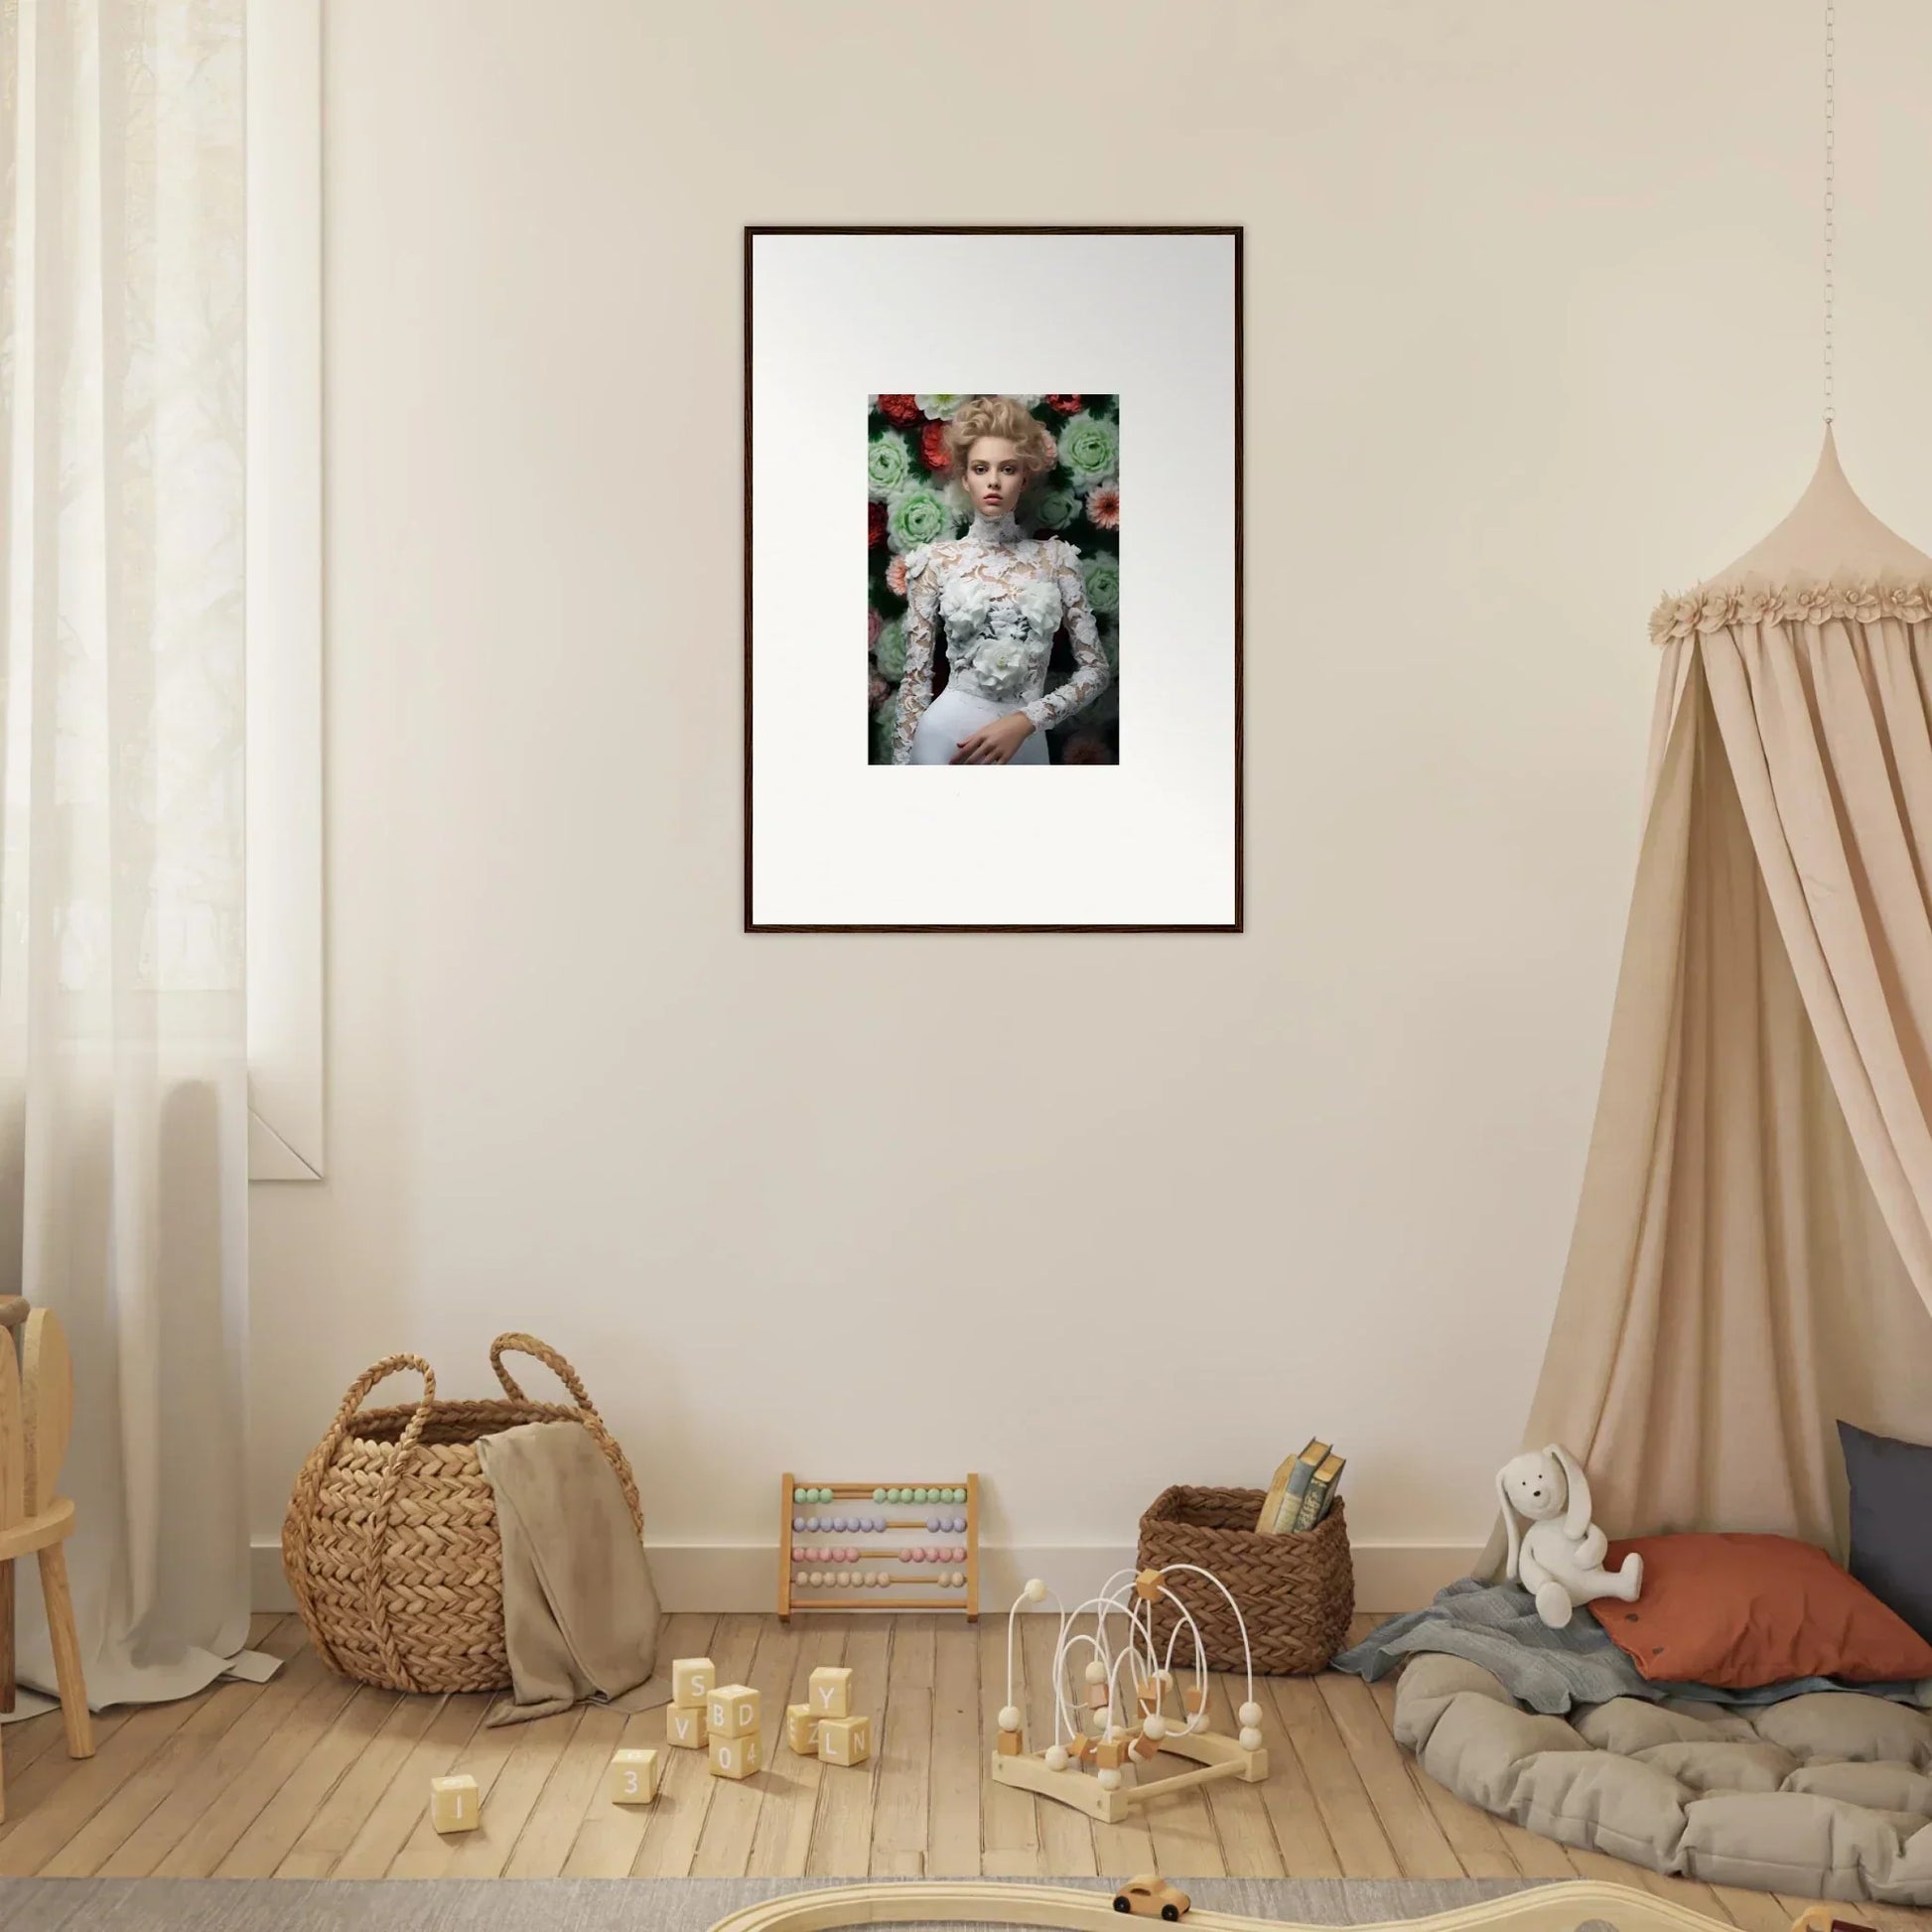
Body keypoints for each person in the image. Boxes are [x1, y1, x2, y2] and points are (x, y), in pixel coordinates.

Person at [890, 396, 1111, 765]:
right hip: (943, 741)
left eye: (1007, 469)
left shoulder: (1057, 560)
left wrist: (1026, 720)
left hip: (1024, 743)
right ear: (965, 477)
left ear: (1024, 478)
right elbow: (914, 685)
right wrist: (901, 779)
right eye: (980, 468)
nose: (993, 481)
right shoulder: (935, 561)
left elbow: (1096, 671)